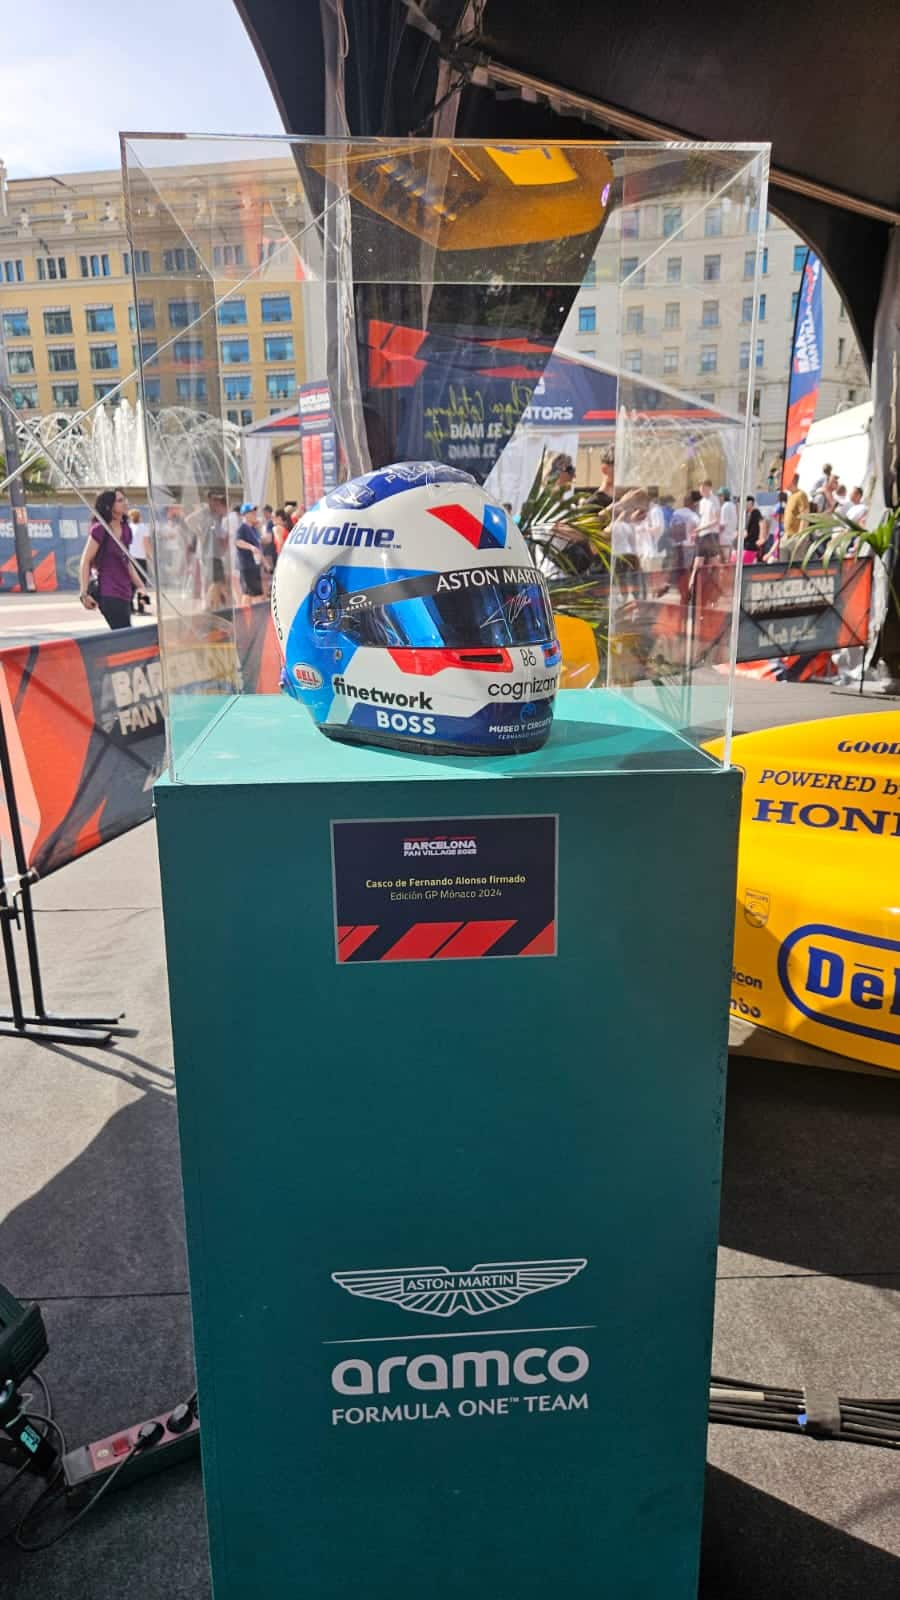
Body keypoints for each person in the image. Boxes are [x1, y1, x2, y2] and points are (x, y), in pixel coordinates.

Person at [79, 488, 148, 629]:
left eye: (125, 499)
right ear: (108, 506)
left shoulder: (127, 529)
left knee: (124, 633)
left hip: (125, 591)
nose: (125, 503)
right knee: (124, 632)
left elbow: (126, 561)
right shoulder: (100, 529)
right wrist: (84, 593)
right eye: (120, 500)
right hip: (108, 590)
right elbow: (85, 560)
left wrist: (141, 586)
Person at [235, 503, 263, 597]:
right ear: (245, 515)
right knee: (248, 594)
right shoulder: (242, 528)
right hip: (247, 565)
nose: (255, 514)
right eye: (252, 512)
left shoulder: (253, 529)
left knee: (254, 594)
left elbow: (259, 545)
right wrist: (251, 547)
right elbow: (238, 541)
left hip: (254, 565)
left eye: (255, 512)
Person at [128, 507, 151, 613]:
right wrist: (150, 556)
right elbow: (146, 544)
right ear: (140, 517)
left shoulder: (129, 527)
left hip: (130, 558)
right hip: (141, 558)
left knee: (131, 584)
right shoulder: (143, 528)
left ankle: (130, 607)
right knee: (142, 584)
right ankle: (142, 608)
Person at [784, 473, 809, 540]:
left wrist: (800, 536)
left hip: (795, 537)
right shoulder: (790, 496)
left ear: (791, 481)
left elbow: (805, 516)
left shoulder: (801, 495)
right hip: (788, 535)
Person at [718, 487, 738, 560]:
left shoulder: (725, 507)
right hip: (730, 537)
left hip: (724, 538)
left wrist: (715, 534)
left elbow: (722, 525)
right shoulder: (732, 505)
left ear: (724, 496)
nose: (719, 498)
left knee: (724, 560)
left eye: (720, 495)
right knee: (728, 560)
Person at [743, 496, 765, 563]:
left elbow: (762, 522)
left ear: (750, 503)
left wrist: (761, 537)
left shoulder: (756, 512)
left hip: (752, 543)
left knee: (748, 562)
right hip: (747, 543)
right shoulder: (746, 514)